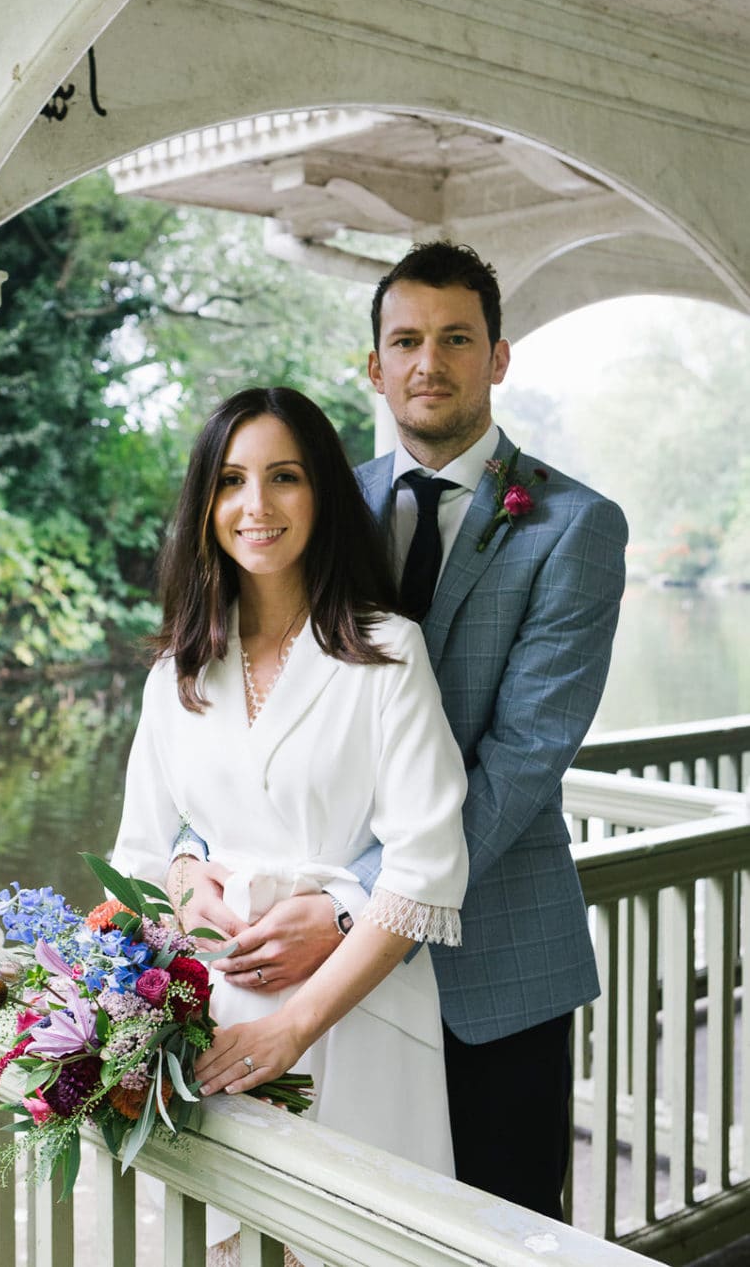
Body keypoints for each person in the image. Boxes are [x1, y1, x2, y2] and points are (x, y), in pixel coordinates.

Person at [177, 243, 628, 1222]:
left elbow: (521, 758)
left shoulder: (575, 527)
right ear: (372, 366)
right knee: (347, 1225)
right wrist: (189, 853)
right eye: (407, 340)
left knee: (502, 1233)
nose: (431, 362)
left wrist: (354, 911)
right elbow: (246, 699)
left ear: (498, 358)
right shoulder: (320, 502)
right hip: (329, 991)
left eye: (457, 338)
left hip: (494, 968)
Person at [111, 386, 469, 1265]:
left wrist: (294, 1027)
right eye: (231, 480)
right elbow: (138, 855)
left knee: (357, 1244)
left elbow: (425, 870)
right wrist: (181, 892)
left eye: (285, 477)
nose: (256, 506)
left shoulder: (387, 654)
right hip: (211, 1026)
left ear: (323, 496)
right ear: (205, 505)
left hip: (355, 1011)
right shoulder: (176, 673)